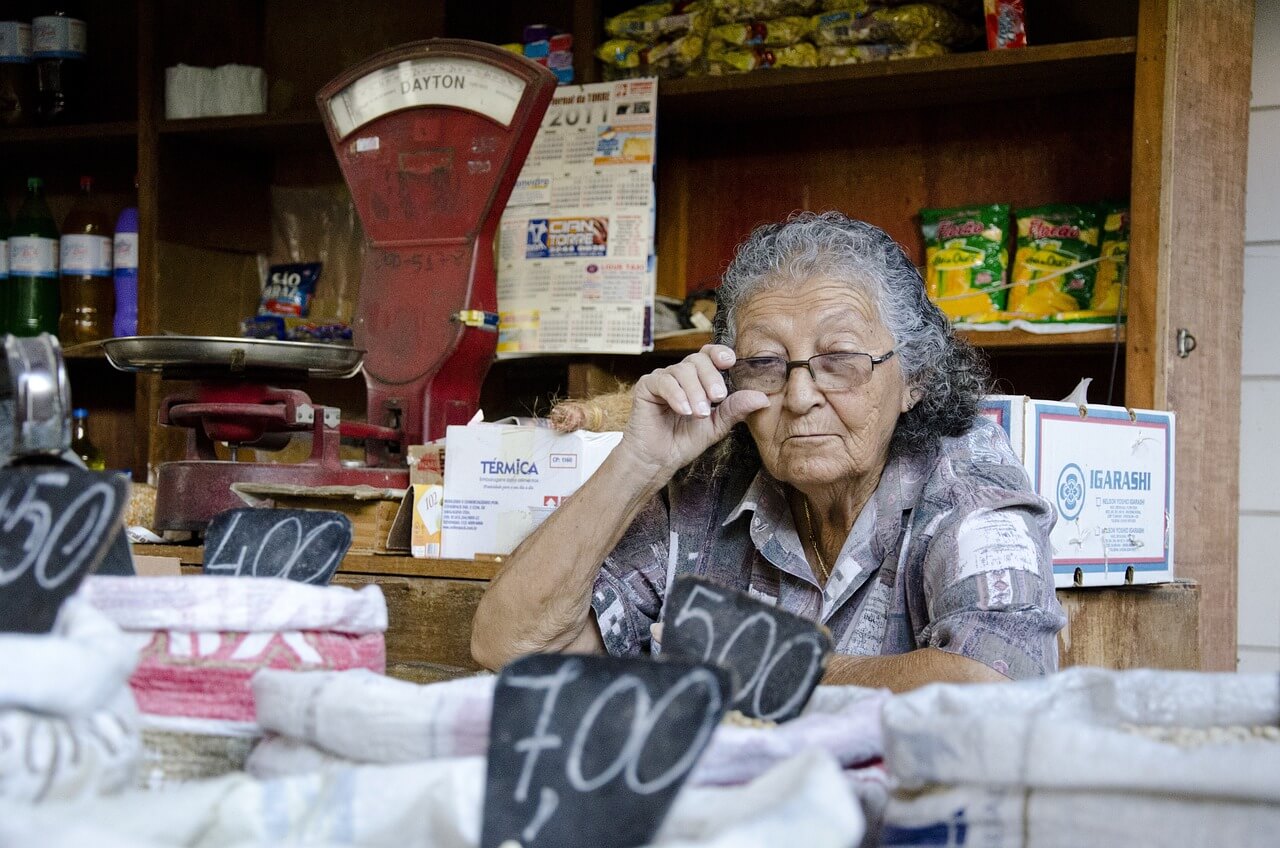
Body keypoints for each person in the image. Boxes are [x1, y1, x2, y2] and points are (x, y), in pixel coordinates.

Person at [472, 212, 1066, 691]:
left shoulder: (968, 479)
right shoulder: (709, 485)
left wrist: (752, 672)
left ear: (915, 379)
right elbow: (511, 646)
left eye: (840, 361)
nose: (801, 395)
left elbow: (997, 684)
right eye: (765, 365)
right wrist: (637, 466)